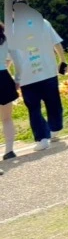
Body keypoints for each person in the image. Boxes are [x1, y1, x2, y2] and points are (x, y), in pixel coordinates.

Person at [6, 0, 68, 152]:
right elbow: (56, 43)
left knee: (36, 107)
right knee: (51, 103)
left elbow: (8, 57)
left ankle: (44, 137)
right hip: (43, 73)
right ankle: (50, 132)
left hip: (29, 76)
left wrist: (7, 74)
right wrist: (63, 60)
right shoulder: (42, 23)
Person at [0, 22, 18, 159]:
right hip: (4, 78)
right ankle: (9, 150)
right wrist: (17, 79)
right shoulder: (6, 38)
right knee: (7, 118)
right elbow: (14, 59)